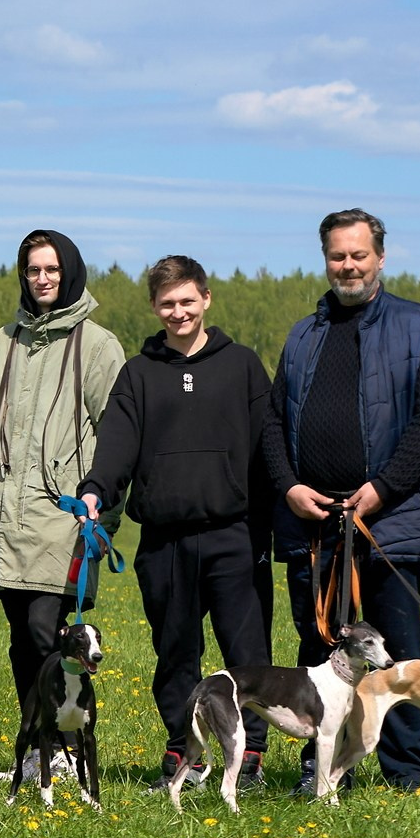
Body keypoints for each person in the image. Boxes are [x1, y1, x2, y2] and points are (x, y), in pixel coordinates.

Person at [265, 209, 420, 793]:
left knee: (397, 654)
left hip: (389, 522)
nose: (348, 266)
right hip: (316, 526)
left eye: (358, 255)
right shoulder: (304, 334)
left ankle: (406, 773)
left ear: (380, 257)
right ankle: (323, 772)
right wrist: (291, 487)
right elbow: (272, 423)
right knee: (321, 649)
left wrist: (381, 490)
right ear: (325, 259)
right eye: (337, 256)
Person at [76, 256, 278, 792]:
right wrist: (96, 490)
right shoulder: (139, 374)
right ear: (154, 307)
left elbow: (269, 446)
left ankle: (249, 756)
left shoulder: (242, 365)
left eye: (187, 300)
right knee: (175, 652)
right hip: (164, 540)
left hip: (236, 534)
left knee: (248, 655)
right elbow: (117, 445)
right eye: (167, 303)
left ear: (206, 299)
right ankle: (184, 752)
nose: (178, 311)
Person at [0, 231, 125, 785]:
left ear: (71, 271)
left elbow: (118, 434)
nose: (42, 279)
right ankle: (38, 746)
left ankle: (66, 745)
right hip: (4, 516)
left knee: (46, 632)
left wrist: (101, 515)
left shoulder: (98, 344)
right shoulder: (0, 342)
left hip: (63, 520)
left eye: (52, 269)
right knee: (21, 639)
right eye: (33, 269)